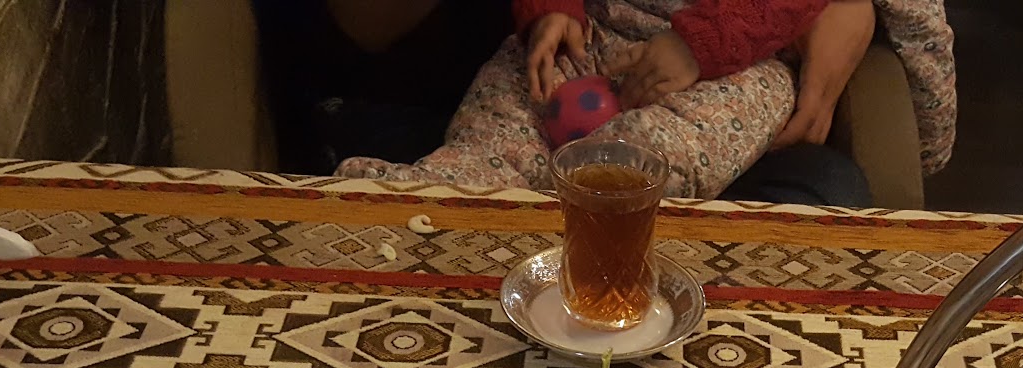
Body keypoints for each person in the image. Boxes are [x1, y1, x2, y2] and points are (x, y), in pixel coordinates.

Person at [336, 0, 956, 201]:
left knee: (665, 148)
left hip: (736, 65)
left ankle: (599, 200)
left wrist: (700, 45)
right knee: (509, 105)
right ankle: (442, 190)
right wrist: (551, 9)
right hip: (596, 30)